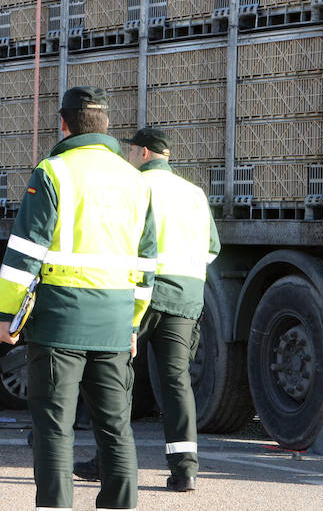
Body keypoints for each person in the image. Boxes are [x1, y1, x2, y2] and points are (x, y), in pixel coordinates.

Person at [0, 86, 157, 510]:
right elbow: (146, 264)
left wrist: (5, 316)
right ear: (106, 128)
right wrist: (134, 322)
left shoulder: (54, 172)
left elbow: (24, 253)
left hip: (59, 319)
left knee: (54, 427)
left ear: (63, 125)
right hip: (115, 320)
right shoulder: (135, 182)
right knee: (116, 428)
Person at [74, 127, 220, 492]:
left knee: (114, 375)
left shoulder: (135, 186)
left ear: (141, 153)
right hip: (186, 296)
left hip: (140, 291)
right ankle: (185, 470)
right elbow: (212, 248)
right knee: (176, 382)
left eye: (130, 152)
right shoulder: (195, 193)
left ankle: (109, 462)